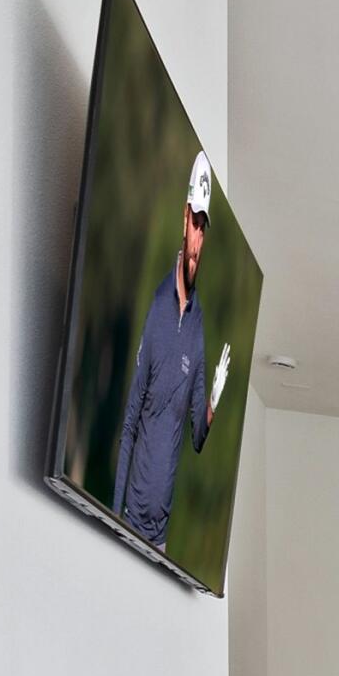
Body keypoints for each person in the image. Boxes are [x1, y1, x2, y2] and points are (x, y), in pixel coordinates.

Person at [111, 150, 232, 549]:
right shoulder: (158, 306)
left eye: (204, 229)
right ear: (184, 219)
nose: (197, 239)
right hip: (129, 523)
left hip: (162, 541)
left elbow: (197, 437)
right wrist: (113, 519)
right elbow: (130, 422)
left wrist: (213, 400)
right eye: (194, 223)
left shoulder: (198, 326)